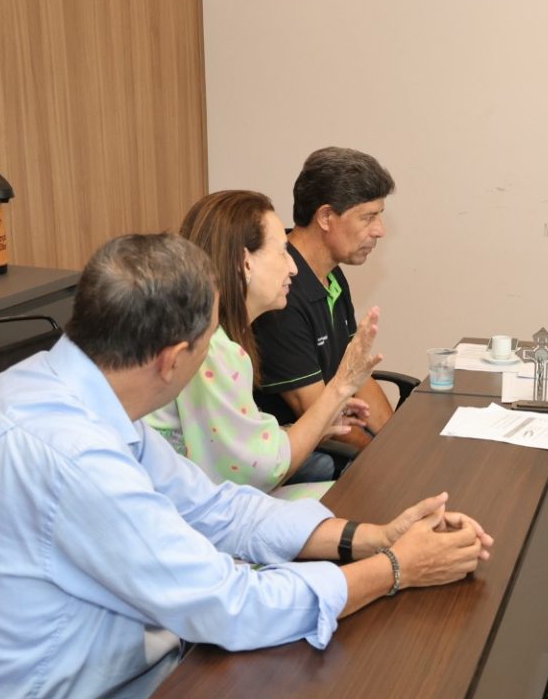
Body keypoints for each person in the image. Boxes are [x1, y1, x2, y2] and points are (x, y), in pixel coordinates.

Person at [0, 233, 491, 699]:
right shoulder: (70, 453)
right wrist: (397, 570)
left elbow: (210, 507)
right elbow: (227, 604)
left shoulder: (71, 388)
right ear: (173, 358)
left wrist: (368, 539)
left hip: (93, 696)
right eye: (211, 340)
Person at [147, 190, 380, 499]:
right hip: (185, 512)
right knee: (360, 499)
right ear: (245, 263)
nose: (293, 268)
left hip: (196, 498)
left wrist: (322, 422)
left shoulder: (216, 335)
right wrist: (341, 386)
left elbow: (243, 441)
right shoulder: (210, 347)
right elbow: (258, 473)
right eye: (282, 252)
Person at [252, 147, 396, 462]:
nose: (380, 230)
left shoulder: (331, 277)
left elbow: (355, 373)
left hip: (339, 432)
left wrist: (397, 440)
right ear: (326, 217)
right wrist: (387, 459)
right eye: (368, 217)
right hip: (303, 456)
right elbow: (318, 414)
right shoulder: (281, 294)